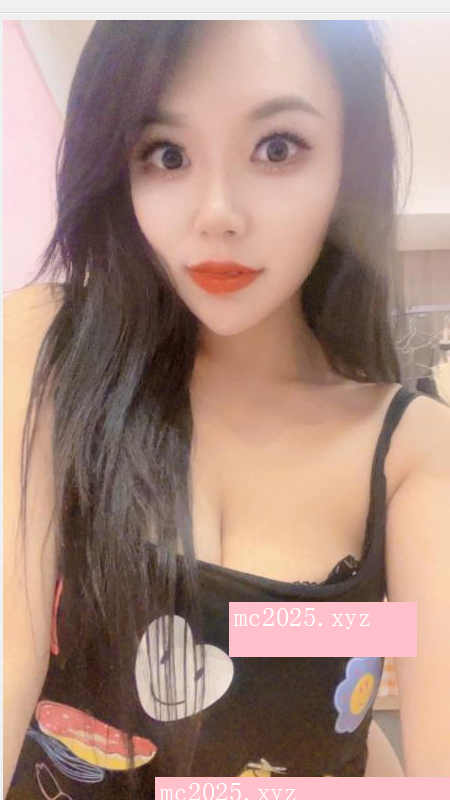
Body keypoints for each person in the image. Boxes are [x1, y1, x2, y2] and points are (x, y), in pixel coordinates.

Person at [3, 20, 450, 797]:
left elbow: (340, 689)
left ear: (348, 164)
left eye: (276, 148)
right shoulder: (49, 343)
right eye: (167, 154)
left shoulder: (411, 450)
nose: (217, 213)